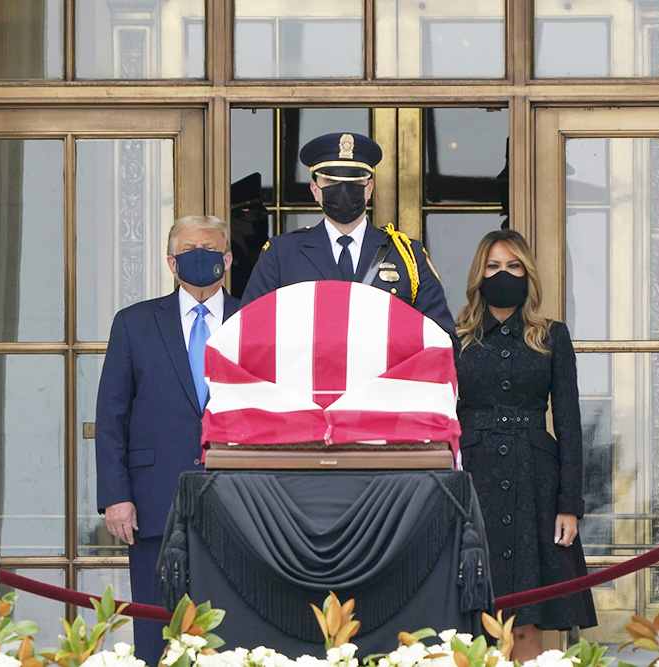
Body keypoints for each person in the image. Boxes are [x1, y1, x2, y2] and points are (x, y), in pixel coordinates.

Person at [95, 215, 240, 666]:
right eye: (190, 250)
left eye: (212, 250)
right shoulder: (134, 323)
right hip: (154, 499)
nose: (202, 258)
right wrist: (116, 496)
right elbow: (111, 417)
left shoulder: (252, 318)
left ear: (229, 260)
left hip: (239, 500)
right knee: (157, 629)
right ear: (171, 262)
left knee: (232, 630)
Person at [454, 229, 596, 662]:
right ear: (479, 273)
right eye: (494, 266)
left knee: (528, 618)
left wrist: (569, 504)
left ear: (528, 274)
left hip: (535, 480)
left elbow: (569, 423)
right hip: (472, 478)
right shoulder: (455, 336)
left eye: (514, 266)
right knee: (472, 615)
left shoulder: (552, 336)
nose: (504, 274)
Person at [240, 132, 456, 340]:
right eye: (332, 183)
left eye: (354, 182)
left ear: (369, 188)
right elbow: (249, 333)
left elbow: (441, 339)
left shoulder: (407, 256)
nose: (343, 189)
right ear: (315, 190)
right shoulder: (281, 253)